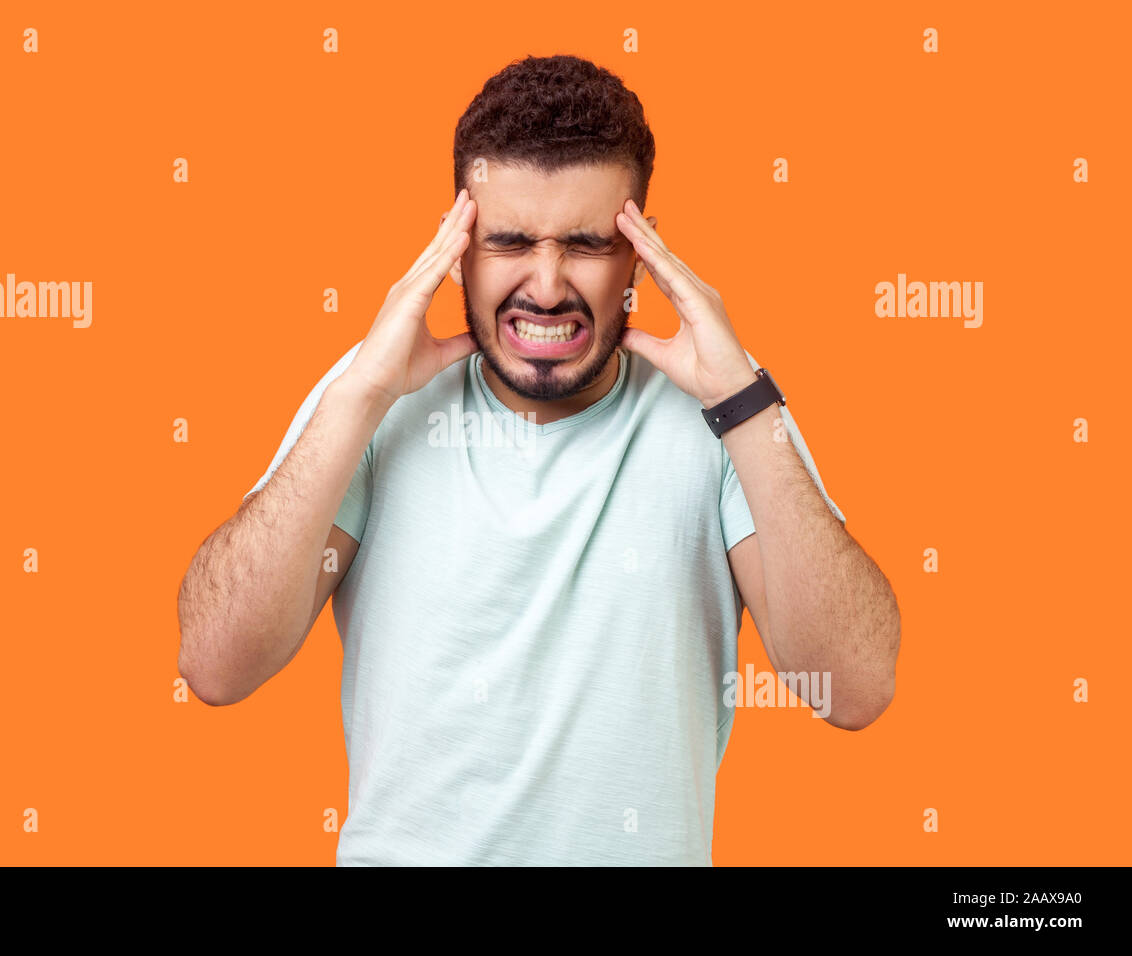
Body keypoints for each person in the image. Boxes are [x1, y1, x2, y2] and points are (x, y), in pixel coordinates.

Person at [177, 55, 900, 866]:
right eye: (510, 242)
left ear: (642, 254)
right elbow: (215, 665)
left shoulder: (729, 412)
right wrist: (359, 397)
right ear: (458, 248)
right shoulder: (374, 402)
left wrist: (743, 398)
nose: (548, 286)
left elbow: (856, 687)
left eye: (588, 245)